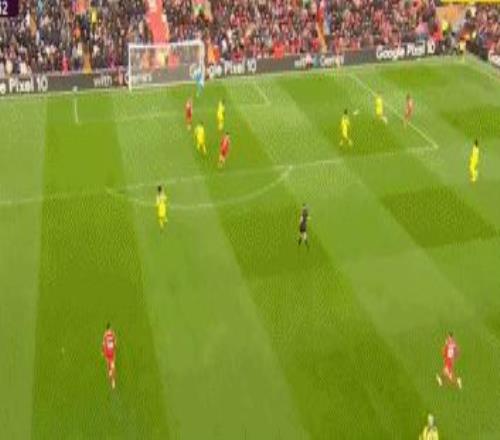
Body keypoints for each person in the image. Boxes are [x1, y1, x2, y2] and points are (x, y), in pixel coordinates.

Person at [102, 323, 117, 390]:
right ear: (110, 328)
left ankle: (110, 372)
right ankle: (113, 381)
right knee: (113, 366)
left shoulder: (105, 335)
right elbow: (115, 342)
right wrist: (114, 348)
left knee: (108, 364)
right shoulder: (112, 334)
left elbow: (103, 344)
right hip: (112, 353)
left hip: (107, 353)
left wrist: (103, 351)